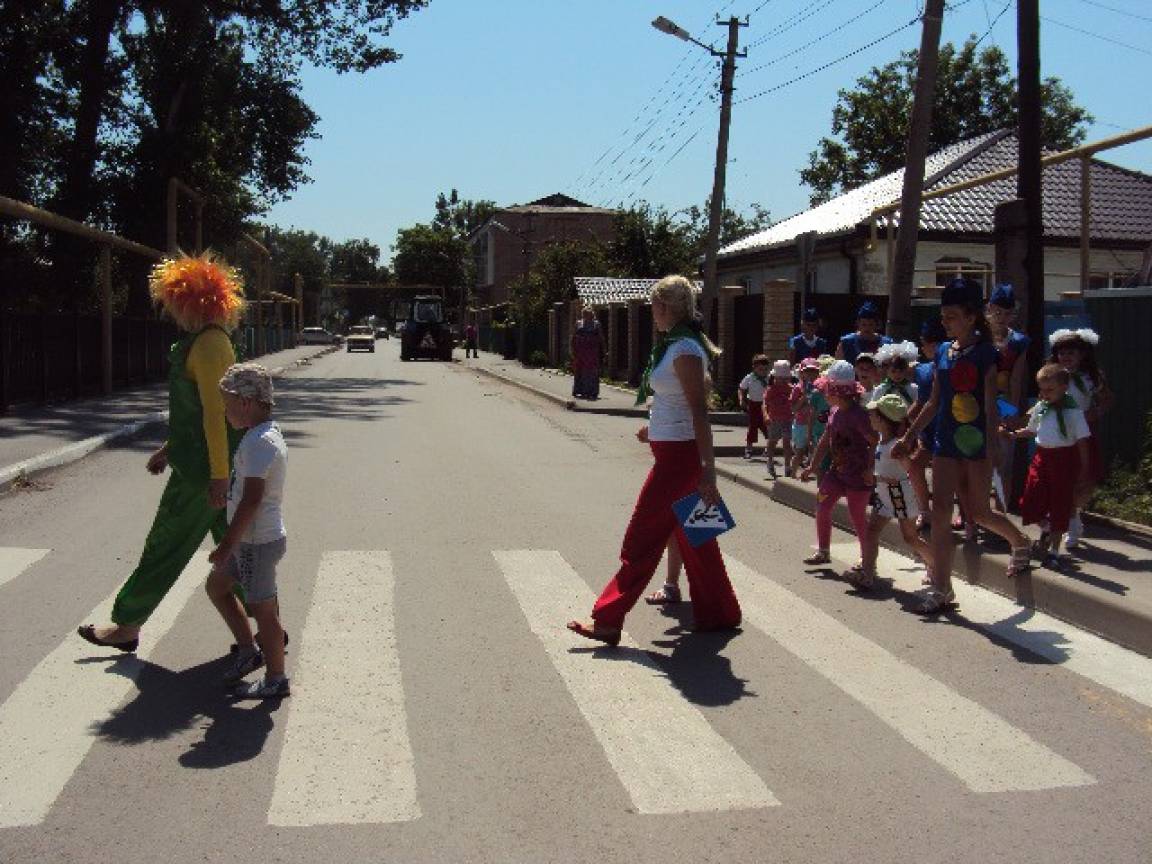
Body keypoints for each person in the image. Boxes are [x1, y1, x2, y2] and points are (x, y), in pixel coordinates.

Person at [78, 255, 245, 652]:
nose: (171, 311)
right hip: (207, 465)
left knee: (166, 542)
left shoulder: (208, 346)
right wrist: (170, 448)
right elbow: (195, 414)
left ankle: (127, 624)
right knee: (237, 550)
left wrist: (219, 477)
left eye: (175, 302)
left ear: (194, 303)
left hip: (204, 473)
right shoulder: (205, 341)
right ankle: (266, 626)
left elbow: (215, 416)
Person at [567, 275, 741, 645]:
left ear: (667, 307)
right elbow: (671, 402)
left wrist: (709, 472)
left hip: (680, 459)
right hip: (672, 448)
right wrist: (654, 429)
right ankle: (722, 613)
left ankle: (609, 619)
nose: (652, 314)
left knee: (641, 539)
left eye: (654, 307)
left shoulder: (684, 351)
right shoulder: (675, 345)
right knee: (697, 538)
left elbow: (699, 411)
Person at [895, 277, 1033, 615]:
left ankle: (1019, 540)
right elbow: (933, 403)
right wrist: (909, 435)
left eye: (952, 316)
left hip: (976, 445)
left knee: (979, 512)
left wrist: (993, 445)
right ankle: (942, 589)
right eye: (943, 316)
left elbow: (988, 403)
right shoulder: (943, 351)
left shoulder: (988, 353)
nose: (945, 322)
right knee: (941, 516)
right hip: (944, 442)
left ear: (971, 317)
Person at [207, 364, 290, 698]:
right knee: (217, 588)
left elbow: (252, 499)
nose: (225, 413)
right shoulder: (257, 436)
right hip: (246, 541)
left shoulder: (260, 443)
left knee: (264, 611)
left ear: (245, 402)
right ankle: (247, 650)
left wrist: (226, 544)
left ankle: (276, 678)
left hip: (256, 542)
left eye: (227, 405)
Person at [1001, 364, 1091, 567]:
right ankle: (1046, 526)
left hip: (1064, 460)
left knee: (1060, 505)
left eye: (1049, 390)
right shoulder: (1041, 408)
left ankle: (1054, 552)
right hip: (1041, 459)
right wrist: (1013, 434)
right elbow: (1032, 430)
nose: (1044, 394)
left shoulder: (1073, 412)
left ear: (1064, 388)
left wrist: (1084, 470)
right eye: (1041, 389)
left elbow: (1082, 441)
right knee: (1029, 501)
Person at [847, 394, 934, 589]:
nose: (870, 418)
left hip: (899, 495)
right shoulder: (881, 440)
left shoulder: (896, 446)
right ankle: (867, 574)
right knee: (872, 531)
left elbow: (909, 470)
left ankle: (936, 566)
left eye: (873, 415)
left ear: (883, 420)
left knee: (910, 537)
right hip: (885, 496)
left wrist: (875, 477)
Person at [800, 360, 876, 568]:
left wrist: (871, 469)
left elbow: (874, 441)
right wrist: (812, 466)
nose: (824, 393)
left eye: (828, 389)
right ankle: (823, 551)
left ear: (839, 392)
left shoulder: (859, 416)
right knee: (822, 506)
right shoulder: (834, 411)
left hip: (858, 475)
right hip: (837, 471)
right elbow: (826, 439)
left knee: (857, 516)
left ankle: (866, 557)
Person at [1049, 327, 1113, 548]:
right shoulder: (1053, 376)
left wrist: (1095, 413)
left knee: (1085, 479)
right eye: (1062, 353)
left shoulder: (1091, 378)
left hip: (1085, 434)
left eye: (1071, 353)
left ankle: (1074, 511)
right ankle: (1071, 521)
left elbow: (1106, 400)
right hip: (1061, 435)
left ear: (1082, 355)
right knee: (1064, 479)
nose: (1066, 357)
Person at [986, 283, 1031, 506]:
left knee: (1003, 459)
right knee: (973, 457)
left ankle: (1002, 510)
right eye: (998, 312)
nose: (1002, 317)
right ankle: (969, 514)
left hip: (1002, 401)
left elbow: (1016, 379)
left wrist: (1012, 411)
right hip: (975, 402)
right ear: (989, 308)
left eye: (1007, 313)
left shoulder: (1018, 342)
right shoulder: (979, 336)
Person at [907, 319, 946, 523]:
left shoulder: (951, 366)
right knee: (914, 466)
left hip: (950, 430)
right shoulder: (922, 370)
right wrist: (904, 422)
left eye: (924, 343)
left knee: (947, 477)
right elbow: (921, 403)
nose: (923, 348)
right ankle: (925, 510)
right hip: (928, 431)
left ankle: (968, 521)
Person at [788, 358, 822, 476]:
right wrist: (803, 397)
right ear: (801, 373)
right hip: (801, 424)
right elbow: (793, 408)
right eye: (807, 371)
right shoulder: (798, 388)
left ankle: (816, 475)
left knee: (816, 451)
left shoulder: (820, 387)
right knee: (800, 452)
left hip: (815, 424)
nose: (811, 374)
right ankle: (792, 474)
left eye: (814, 371)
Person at [762, 359, 794, 478]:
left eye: (786, 378)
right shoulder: (771, 389)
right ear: (775, 377)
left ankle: (787, 466)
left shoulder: (791, 388)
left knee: (787, 443)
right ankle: (770, 461)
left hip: (787, 419)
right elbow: (765, 403)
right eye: (780, 378)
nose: (783, 381)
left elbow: (796, 401)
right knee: (773, 442)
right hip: (774, 419)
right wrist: (766, 415)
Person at [737, 355, 771, 460]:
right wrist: (741, 400)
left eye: (765, 369)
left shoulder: (769, 378)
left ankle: (768, 449)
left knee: (767, 427)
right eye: (760, 369)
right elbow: (741, 389)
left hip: (766, 405)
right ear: (754, 368)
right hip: (753, 404)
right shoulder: (749, 378)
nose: (763, 372)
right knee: (753, 426)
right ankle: (748, 449)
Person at [571, 307, 604, 400]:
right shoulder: (578, 323)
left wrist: (603, 349)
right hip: (580, 351)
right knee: (580, 371)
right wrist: (573, 349)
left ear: (592, 315)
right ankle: (580, 390)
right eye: (585, 314)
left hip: (592, 352)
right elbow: (573, 336)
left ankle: (592, 391)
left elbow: (601, 338)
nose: (586, 316)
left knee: (592, 372)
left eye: (588, 314)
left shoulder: (596, 324)